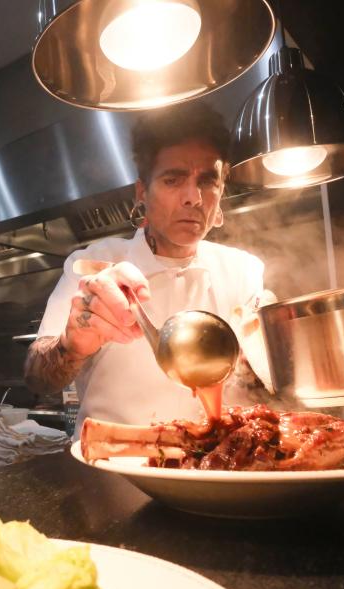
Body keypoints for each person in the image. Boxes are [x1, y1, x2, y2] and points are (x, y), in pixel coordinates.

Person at [24, 101, 271, 435]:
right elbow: (37, 377)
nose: (193, 198)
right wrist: (74, 342)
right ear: (142, 192)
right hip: (113, 466)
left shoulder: (243, 270)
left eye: (208, 181)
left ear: (222, 190)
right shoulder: (94, 265)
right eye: (173, 180)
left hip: (217, 464)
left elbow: (271, 383)